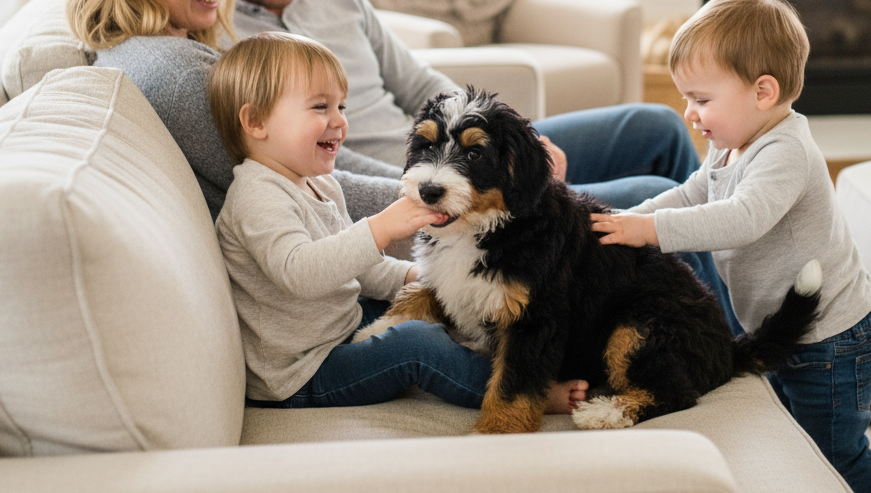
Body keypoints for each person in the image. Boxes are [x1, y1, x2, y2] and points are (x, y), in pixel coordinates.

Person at [199, 0, 742, 333]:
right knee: (654, 204)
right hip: (427, 202)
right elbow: (309, 171)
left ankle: (725, 326)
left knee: (655, 126)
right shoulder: (223, 42)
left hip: (462, 158)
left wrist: (521, 144)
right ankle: (728, 365)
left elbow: (419, 84)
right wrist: (449, 187)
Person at [589, 0, 871, 493]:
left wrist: (650, 232)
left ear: (763, 92)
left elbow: (742, 217)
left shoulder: (786, 151)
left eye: (701, 99)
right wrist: (628, 219)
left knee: (836, 449)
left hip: (834, 338)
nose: (689, 114)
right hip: (789, 330)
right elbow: (692, 193)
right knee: (794, 435)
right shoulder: (731, 142)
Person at [207, 30, 587, 412]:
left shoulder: (318, 183)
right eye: (320, 107)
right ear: (256, 122)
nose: (339, 122)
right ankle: (529, 395)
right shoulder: (257, 197)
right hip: (300, 373)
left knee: (428, 309)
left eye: (342, 107)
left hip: (338, 326)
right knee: (419, 346)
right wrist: (381, 228)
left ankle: (519, 363)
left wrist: (417, 278)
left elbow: (354, 271)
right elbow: (301, 273)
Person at [65, 0, 399, 225]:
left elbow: (307, 159)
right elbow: (310, 187)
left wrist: (426, 183)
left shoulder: (151, 50)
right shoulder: (182, 78)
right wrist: (446, 199)